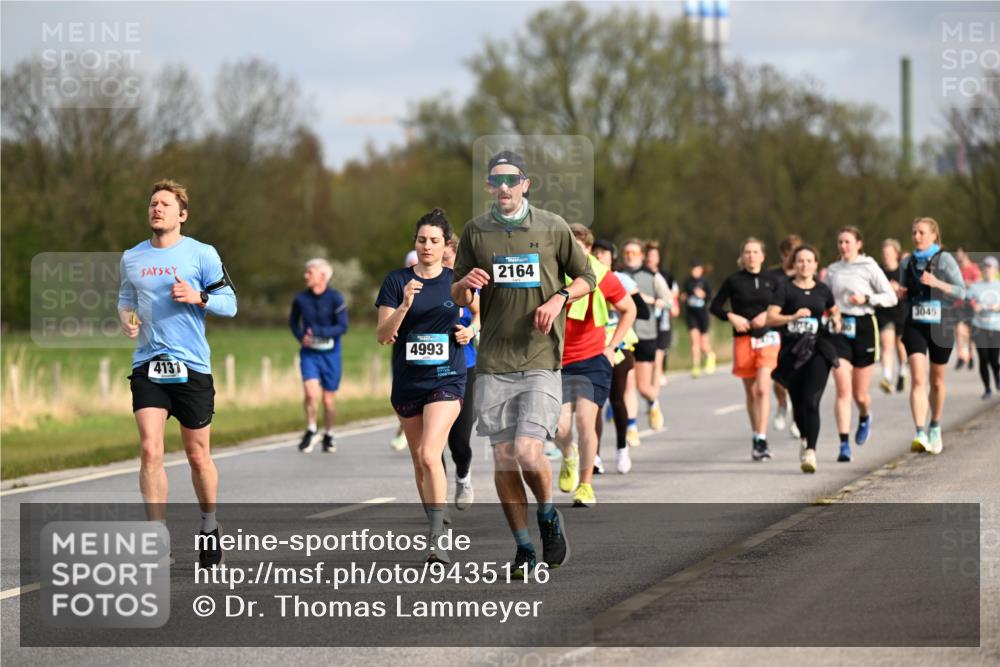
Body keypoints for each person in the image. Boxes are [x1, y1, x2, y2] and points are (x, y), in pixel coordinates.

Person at [452, 150, 595, 577]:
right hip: (495, 360)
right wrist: (465, 285)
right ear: (488, 186)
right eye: (497, 181)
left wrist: (559, 297)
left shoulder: (552, 227)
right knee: (503, 457)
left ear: (526, 184)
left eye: (512, 180)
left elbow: (588, 277)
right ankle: (523, 546)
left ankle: (548, 515)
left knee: (529, 451)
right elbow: (457, 293)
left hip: (540, 357)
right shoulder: (476, 232)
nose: (505, 187)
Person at [118, 179, 237, 568]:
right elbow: (125, 298)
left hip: (192, 367)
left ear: (181, 215)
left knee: (197, 454)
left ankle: (208, 523)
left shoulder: (201, 254)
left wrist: (199, 296)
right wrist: (127, 320)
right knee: (150, 449)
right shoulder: (132, 257)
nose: (157, 209)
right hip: (148, 365)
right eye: (153, 203)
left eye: (165, 204)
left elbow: (230, 304)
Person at [376, 209, 466, 564]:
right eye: (421, 240)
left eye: (434, 241)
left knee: (431, 453)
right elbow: (383, 336)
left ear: (446, 246)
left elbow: (481, 314)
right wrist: (404, 306)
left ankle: (437, 538)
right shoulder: (396, 281)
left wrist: (470, 331)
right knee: (419, 459)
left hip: (447, 375)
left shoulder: (455, 280)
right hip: (409, 379)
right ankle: (436, 517)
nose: (427, 246)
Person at [553, 225, 636, 507]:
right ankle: (568, 454)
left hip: (591, 359)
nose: (574, 253)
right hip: (556, 361)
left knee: (585, 422)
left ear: (587, 249)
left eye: (579, 247)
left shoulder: (601, 274)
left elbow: (629, 309)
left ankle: (585, 485)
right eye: (569, 247)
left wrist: (612, 347)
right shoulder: (551, 273)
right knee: (558, 427)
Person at [824, 226, 898, 462]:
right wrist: (830, 313)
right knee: (842, 388)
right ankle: (844, 444)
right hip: (839, 329)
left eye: (847, 242)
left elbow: (891, 297)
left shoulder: (869, 266)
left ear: (858, 244)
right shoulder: (832, 271)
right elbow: (824, 299)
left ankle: (865, 416)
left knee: (859, 394)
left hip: (865, 326)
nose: (843, 246)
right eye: (840, 242)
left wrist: (867, 298)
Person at [767, 245, 840, 473]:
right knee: (798, 404)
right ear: (794, 264)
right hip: (792, 352)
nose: (804, 265)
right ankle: (805, 437)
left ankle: (811, 451)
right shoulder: (784, 288)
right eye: (800, 261)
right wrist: (793, 316)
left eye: (809, 261)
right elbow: (770, 318)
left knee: (812, 400)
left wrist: (836, 320)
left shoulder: (822, 289)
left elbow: (834, 310)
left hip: (818, 348)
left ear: (816, 264)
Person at [710, 237, 781, 461]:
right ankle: (757, 436)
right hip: (743, 339)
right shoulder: (733, 280)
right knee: (751, 393)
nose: (751, 256)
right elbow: (714, 307)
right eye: (747, 252)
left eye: (755, 252)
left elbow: (786, 304)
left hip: (768, 338)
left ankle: (761, 437)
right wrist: (731, 316)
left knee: (762, 389)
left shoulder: (773, 280)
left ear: (763, 255)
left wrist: (767, 315)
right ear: (742, 256)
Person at [899, 217, 966, 454]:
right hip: (915, 324)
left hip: (941, 325)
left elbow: (961, 290)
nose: (916, 237)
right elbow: (904, 292)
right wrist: (900, 292)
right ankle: (919, 432)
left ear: (934, 236)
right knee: (918, 379)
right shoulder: (906, 262)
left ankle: (935, 426)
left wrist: (937, 282)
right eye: (914, 232)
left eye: (921, 233)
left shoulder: (944, 259)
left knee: (936, 381)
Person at [593, 239, 647, 471]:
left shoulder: (622, 280)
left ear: (612, 256)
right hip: (593, 345)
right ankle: (593, 456)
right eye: (596, 252)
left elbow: (641, 311)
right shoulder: (585, 277)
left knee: (617, 398)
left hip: (620, 344)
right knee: (593, 403)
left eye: (604, 252)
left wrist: (614, 304)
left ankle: (621, 449)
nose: (600, 256)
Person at [289, 259, 348, 453]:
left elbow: (342, 326)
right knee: (310, 393)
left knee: (328, 399)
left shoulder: (336, 298)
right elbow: (293, 323)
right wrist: (301, 337)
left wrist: (318, 331)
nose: (306, 276)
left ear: (323, 275)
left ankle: (329, 434)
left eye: (310, 272)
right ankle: (311, 429)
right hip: (309, 354)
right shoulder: (301, 299)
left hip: (331, 354)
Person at [443, 235, 478, 509]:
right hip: (429, 371)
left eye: (447, 259)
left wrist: (471, 330)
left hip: (463, 366)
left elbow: (482, 314)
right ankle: (437, 499)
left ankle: (463, 475)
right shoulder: (417, 282)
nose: (442, 264)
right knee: (431, 444)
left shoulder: (466, 283)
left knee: (459, 441)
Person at [620, 239, 670, 431]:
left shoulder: (653, 276)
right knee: (628, 385)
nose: (630, 256)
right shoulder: (618, 275)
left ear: (642, 255)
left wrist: (648, 300)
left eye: (634, 253)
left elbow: (668, 302)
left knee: (643, 387)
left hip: (646, 335)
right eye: (627, 253)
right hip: (624, 335)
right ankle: (631, 428)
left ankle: (653, 402)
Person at [765, 234, 801, 437]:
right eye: (789, 254)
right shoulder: (772, 276)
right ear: (783, 255)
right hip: (776, 331)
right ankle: (781, 404)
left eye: (795, 254)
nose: (792, 259)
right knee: (777, 376)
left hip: (799, 333)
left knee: (798, 379)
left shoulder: (805, 274)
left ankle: (797, 419)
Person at [389, 250, 421, 452]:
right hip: (404, 352)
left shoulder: (443, 283)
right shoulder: (397, 285)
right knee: (406, 395)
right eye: (409, 263)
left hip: (436, 358)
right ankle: (403, 429)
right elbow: (384, 328)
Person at [644, 241, 680, 388]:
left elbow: (674, 294)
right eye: (649, 255)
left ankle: (657, 378)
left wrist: (672, 306)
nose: (651, 258)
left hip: (663, 317)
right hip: (646, 318)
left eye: (654, 255)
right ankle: (651, 380)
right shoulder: (641, 274)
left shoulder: (666, 275)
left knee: (659, 350)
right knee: (650, 352)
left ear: (658, 258)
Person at [876, 238, 909, 394]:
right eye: (884, 253)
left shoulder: (904, 270)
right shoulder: (877, 270)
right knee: (887, 345)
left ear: (896, 253)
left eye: (889, 253)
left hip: (901, 311)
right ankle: (887, 377)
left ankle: (902, 372)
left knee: (900, 344)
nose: (886, 255)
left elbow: (911, 290)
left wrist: (900, 289)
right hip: (884, 312)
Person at [969, 256, 1000, 399]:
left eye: (990, 267)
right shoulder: (976, 286)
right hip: (979, 326)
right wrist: (974, 305)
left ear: (996, 269)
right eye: (985, 267)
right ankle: (987, 388)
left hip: (996, 327)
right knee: (983, 357)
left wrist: (998, 307)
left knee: (994, 359)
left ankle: (998, 380)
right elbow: (966, 299)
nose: (987, 269)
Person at [682, 259, 717, 377]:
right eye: (692, 269)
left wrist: (703, 295)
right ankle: (695, 366)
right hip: (691, 315)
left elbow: (710, 298)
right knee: (694, 341)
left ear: (701, 270)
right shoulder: (687, 282)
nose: (694, 271)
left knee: (703, 343)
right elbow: (684, 295)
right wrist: (684, 298)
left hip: (703, 315)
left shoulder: (705, 282)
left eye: (696, 269)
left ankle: (710, 355)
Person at [954, 246, 982, 371]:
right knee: (960, 329)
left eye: (960, 254)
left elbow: (978, 284)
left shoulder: (974, 268)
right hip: (959, 303)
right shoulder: (957, 270)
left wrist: (966, 283)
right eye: (957, 254)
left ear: (966, 254)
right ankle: (962, 355)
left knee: (970, 333)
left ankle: (970, 356)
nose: (958, 256)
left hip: (971, 303)